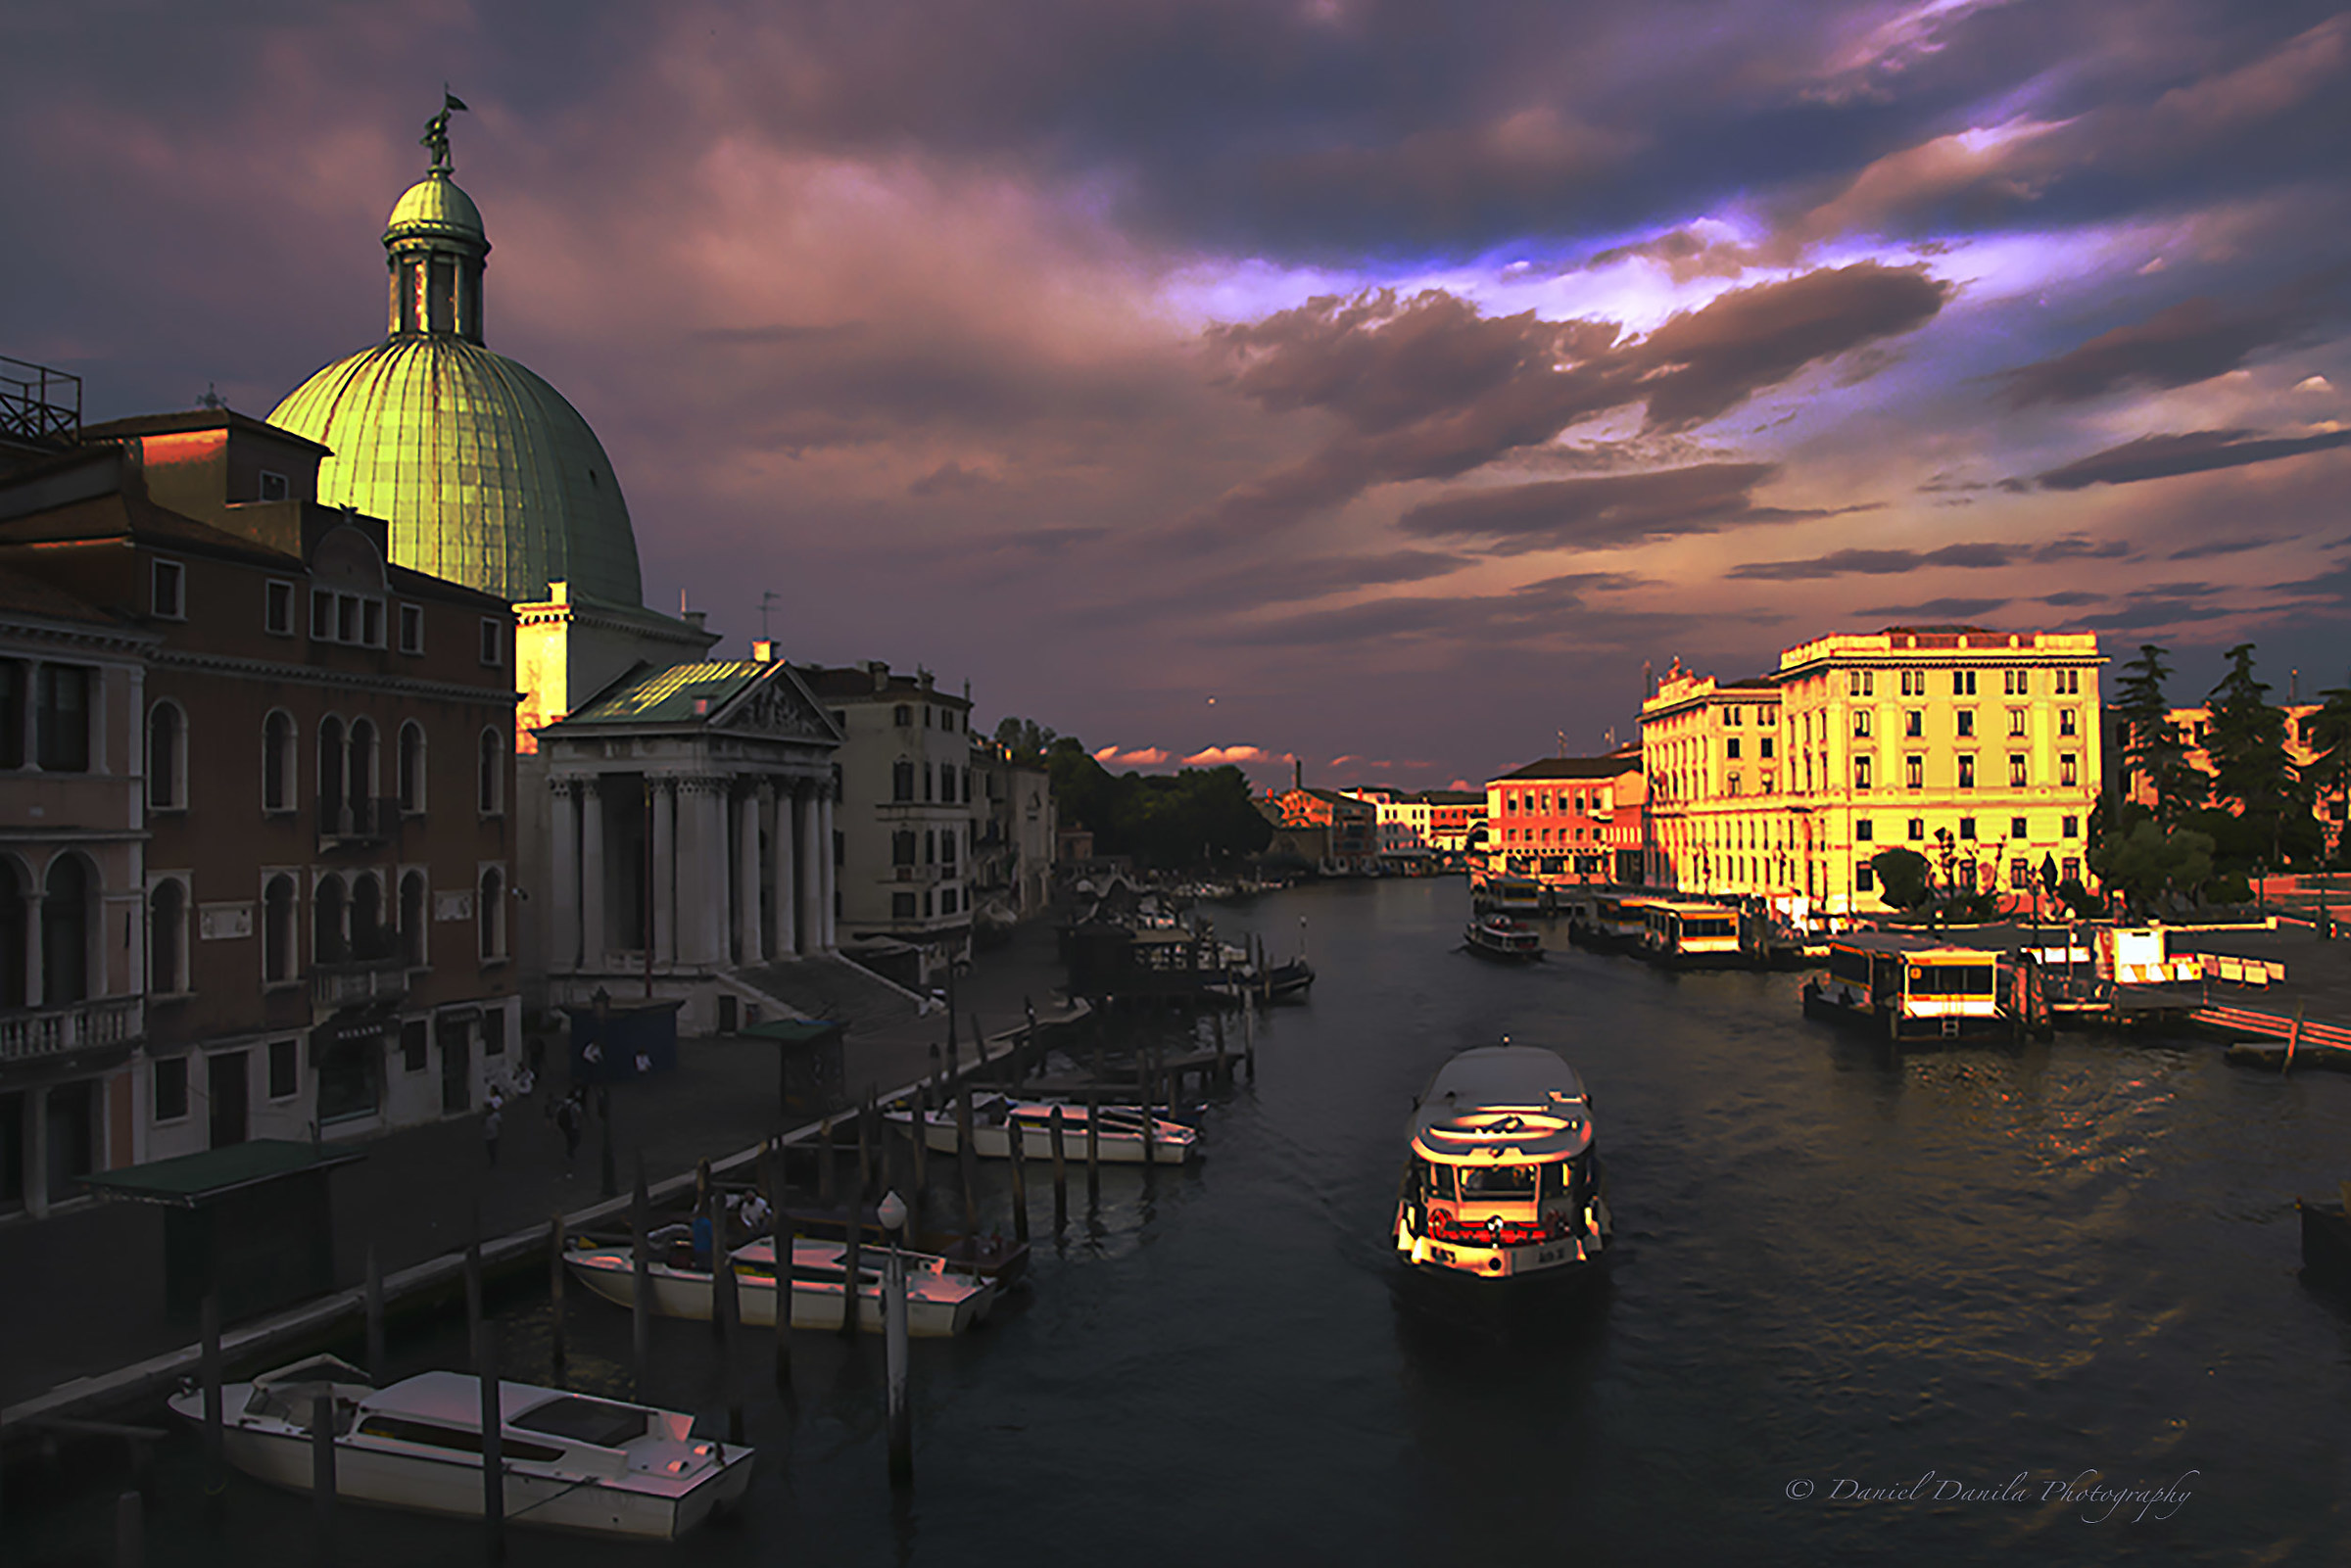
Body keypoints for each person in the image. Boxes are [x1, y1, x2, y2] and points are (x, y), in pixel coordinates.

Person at [554, 1091, 584, 1171]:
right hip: (573, 1126)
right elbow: (579, 1114)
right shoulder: (575, 1105)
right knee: (576, 1139)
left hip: (565, 1126)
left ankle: (569, 1153)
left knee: (570, 1139)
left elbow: (557, 1113)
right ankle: (569, 1153)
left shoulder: (562, 1104)